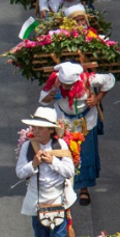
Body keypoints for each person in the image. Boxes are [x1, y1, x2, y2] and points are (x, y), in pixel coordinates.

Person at [40, 62, 113, 205]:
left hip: (86, 122)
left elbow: (110, 80)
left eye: (69, 85)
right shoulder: (54, 82)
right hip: (64, 123)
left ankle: (84, 188)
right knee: (64, 154)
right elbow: (43, 100)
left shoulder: (89, 79)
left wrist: (97, 99)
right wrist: (51, 95)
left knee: (84, 154)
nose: (66, 88)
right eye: (64, 84)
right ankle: (62, 186)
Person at [17, 106, 76, 237]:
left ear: (51, 130)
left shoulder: (61, 146)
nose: (36, 131)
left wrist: (53, 161)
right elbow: (20, 172)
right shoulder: (27, 146)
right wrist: (33, 164)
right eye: (34, 127)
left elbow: (69, 171)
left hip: (58, 200)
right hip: (37, 202)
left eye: (40, 128)